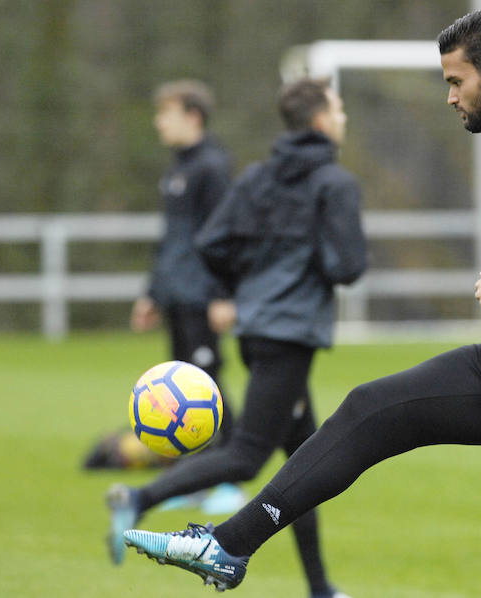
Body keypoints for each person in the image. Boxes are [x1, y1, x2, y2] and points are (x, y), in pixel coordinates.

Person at [122, 8, 481, 598]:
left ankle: (228, 545)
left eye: (455, 81)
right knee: (371, 409)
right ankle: (228, 546)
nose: (449, 96)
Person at [110, 78, 366, 598]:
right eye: (338, 109)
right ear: (320, 121)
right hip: (288, 335)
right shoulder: (334, 184)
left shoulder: (258, 176)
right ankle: (139, 500)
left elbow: (212, 242)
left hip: (257, 329)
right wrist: (304, 259)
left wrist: (243, 284)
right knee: (249, 455)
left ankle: (320, 588)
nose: (342, 117)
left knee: (306, 465)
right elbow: (348, 266)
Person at [129, 79, 237, 447]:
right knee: (178, 393)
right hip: (177, 293)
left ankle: (230, 474)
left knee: (205, 386)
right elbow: (171, 240)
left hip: (202, 296)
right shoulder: (177, 169)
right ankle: (196, 477)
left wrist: (222, 294)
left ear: (192, 116)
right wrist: (152, 294)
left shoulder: (212, 167)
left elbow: (224, 236)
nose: (159, 122)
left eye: (166, 113)